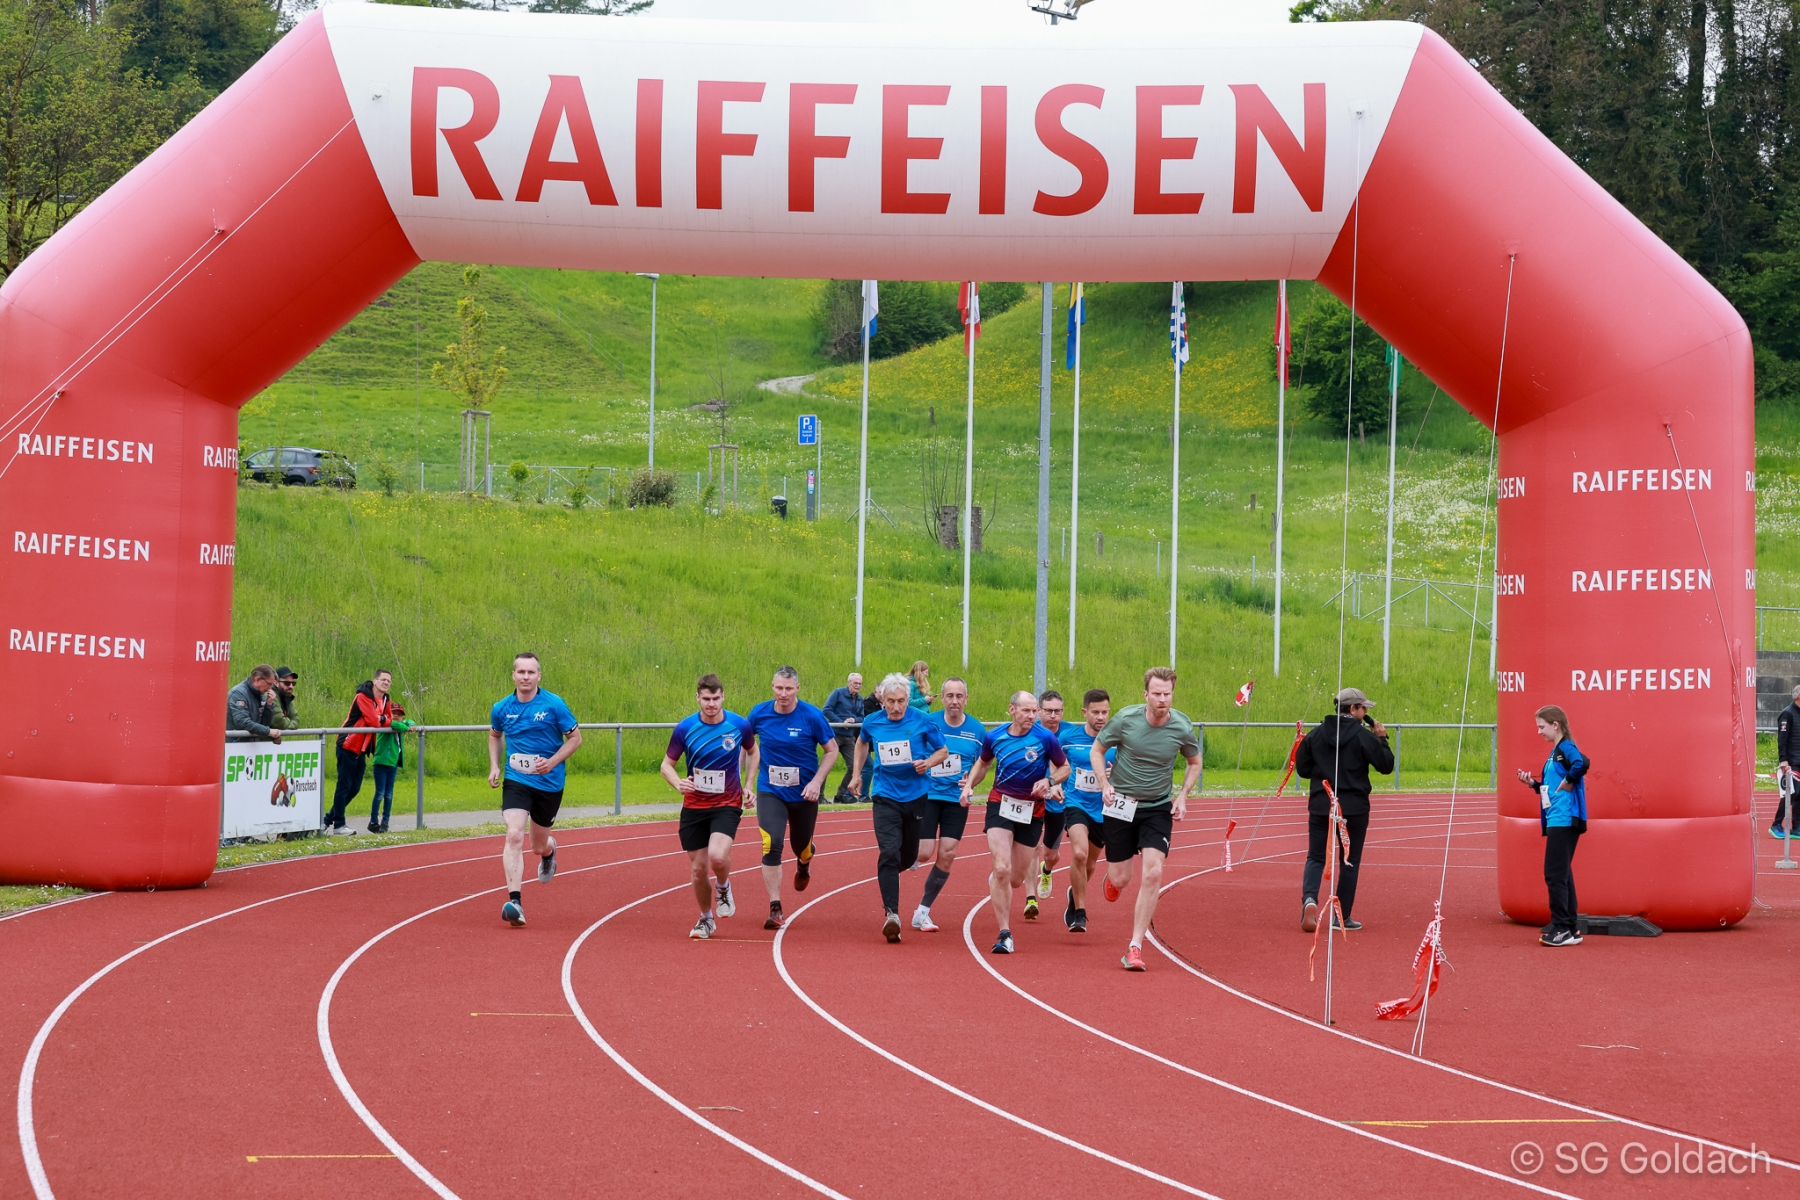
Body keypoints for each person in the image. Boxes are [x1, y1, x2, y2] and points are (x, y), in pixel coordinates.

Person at [1093, 667, 1201, 972]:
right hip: (1121, 804)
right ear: (1146, 694)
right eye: (1156, 693)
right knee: (1121, 879)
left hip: (1157, 807)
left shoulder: (1181, 726)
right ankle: (1113, 879)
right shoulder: (1126, 719)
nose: (1162, 699)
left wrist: (1183, 796)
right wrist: (1104, 784)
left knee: (1153, 873)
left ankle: (1135, 946)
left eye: (1167, 693)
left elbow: (1194, 762)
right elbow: (1098, 750)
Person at [962, 690, 1068, 954]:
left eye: (1035, 711)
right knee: (1002, 868)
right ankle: (1005, 934)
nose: (1032, 716)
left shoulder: (1045, 738)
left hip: (1032, 811)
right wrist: (969, 785)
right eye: (1026, 710)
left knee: (1016, 879)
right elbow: (983, 764)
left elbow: (1064, 768)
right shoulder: (995, 736)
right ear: (1012, 710)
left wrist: (1049, 781)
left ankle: (1001, 877)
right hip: (1001, 804)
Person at [848, 672, 947, 943]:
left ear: (907, 699)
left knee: (907, 855)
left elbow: (943, 751)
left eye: (901, 701)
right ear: (882, 700)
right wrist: (856, 774)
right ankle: (892, 915)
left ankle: (890, 873)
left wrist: (927, 763)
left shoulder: (922, 720)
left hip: (915, 796)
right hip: (885, 795)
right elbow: (862, 742)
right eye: (890, 701)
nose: (896, 707)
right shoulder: (872, 721)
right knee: (889, 852)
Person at [487, 652, 581, 927]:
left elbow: (575, 739)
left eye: (531, 672)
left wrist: (551, 762)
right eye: (521, 672)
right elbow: (494, 735)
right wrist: (494, 766)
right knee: (514, 833)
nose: (525, 677)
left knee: (537, 845)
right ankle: (515, 902)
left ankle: (549, 852)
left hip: (549, 783)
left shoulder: (554, 705)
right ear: (513, 675)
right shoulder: (502, 708)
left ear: (539, 675)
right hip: (517, 779)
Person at [1294, 686, 1394, 936]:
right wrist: (1381, 738)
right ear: (1353, 709)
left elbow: (1302, 769)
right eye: (1363, 708)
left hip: (1321, 804)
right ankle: (1341, 916)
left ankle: (1310, 899)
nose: (1366, 713)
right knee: (1349, 861)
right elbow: (1386, 766)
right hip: (1354, 808)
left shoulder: (1316, 734)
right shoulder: (1364, 736)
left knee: (1315, 857)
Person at [663, 673, 756, 940]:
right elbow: (666, 765)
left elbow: (753, 751)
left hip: (727, 803)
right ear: (698, 698)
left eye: (716, 698)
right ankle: (706, 919)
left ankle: (723, 887)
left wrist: (749, 785)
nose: (711, 704)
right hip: (694, 806)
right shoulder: (685, 728)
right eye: (706, 699)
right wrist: (678, 783)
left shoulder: (738, 725)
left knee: (717, 856)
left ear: (723, 697)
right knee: (698, 869)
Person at [745, 666, 838, 929]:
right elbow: (746, 746)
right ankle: (775, 907)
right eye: (779, 688)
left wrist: (816, 782)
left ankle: (804, 862)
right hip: (770, 790)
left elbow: (832, 751)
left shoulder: (812, 716)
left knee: (801, 847)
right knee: (771, 843)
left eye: (788, 688)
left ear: (797, 688)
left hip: (803, 794)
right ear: (772, 687)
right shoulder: (759, 713)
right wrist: (747, 783)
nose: (783, 693)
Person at [912, 676, 987, 933]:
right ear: (942, 698)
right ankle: (902, 850)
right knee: (924, 852)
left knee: (948, 854)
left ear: (966, 699)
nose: (955, 701)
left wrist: (971, 783)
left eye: (959, 696)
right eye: (950, 696)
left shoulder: (977, 730)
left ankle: (922, 911)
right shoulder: (928, 722)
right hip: (928, 795)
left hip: (956, 799)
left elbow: (982, 765)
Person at [1516, 704, 1589, 947]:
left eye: (1542, 727)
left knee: (1554, 874)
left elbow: (1582, 763)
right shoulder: (1556, 752)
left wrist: (1569, 779)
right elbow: (1550, 789)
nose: (1539, 732)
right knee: (1563, 874)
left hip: (1564, 818)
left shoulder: (1565, 747)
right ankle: (1570, 927)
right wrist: (1533, 784)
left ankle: (1561, 928)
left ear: (1555, 725)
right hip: (1557, 817)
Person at [1057, 688, 1114, 933]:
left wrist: (1115, 775)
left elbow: (1129, 771)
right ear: (1085, 712)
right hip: (1075, 802)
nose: (1101, 717)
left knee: (1090, 864)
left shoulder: (1115, 740)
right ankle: (1079, 913)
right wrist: (1054, 783)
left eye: (1105, 712)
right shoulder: (1068, 737)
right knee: (1079, 854)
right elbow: (1054, 761)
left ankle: (1074, 892)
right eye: (1095, 712)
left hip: (1103, 808)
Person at [325, 669, 404, 835]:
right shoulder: (363, 696)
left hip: (362, 749)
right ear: (374, 681)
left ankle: (325, 821)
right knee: (344, 786)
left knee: (355, 788)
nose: (386, 683)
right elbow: (374, 722)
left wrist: (382, 719)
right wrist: (382, 719)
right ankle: (338, 824)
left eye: (389, 681)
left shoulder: (386, 699)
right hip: (348, 744)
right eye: (383, 679)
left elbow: (389, 720)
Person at [1031, 690, 1068, 906]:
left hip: (1057, 802)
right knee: (1031, 847)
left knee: (1050, 854)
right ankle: (1030, 897)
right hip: (1032, 798)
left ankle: (1046, 870)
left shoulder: (1070, 734)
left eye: (1057, 711)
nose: (1053, 715)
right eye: (1048, 711)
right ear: (1039, 711)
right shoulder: (1030, 731)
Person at [821, 672, 875, 803]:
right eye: (855, 683)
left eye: (860, 684)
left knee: (854, 766)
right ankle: (819, 796)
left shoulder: (860, 698)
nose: (858, 686)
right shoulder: (838, 693)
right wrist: (841, 722)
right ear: (848, 683)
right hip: (835, 735)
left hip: (849, 737)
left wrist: (854, 720)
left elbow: (862, 717)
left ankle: (841, 795)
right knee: (826, 766)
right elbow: (826, 709)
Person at [369, 699, 416, 833]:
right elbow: (394, 724)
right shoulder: (386, 724)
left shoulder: (400, 724)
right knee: (380, 793)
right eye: (393, 713)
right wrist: (406, 727)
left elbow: (409, 721)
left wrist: (411, 724)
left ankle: (385, 822)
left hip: (392, 764)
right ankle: (373, 821)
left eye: (399, 714)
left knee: (389, 794)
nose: (396, 716)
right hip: (381, 763)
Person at [226, 665, 282, 743]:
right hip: (234, 744)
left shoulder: (261, 695)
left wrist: (269, 704)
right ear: (258, 679)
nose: (270, 688)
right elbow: (241, 722)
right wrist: (268, 731)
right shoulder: (238, 694)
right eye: (269, 684)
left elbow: (265, 724)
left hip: (251, 744)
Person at [1774, 685, 1800, 838]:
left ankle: (1797, 827)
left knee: (1799, 795)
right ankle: (1776, 824)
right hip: (1791, 761)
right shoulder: (1787, 713)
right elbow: (1782, 739)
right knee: (1792, 793)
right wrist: (1783, 760)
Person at [270, 667, 301, 731]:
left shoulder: (286, 697)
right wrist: (289, 722)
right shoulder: (271, 696)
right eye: (287, 683)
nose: (291, 686)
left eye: (293, 683)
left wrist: (286, 723)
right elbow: (280, 722)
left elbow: (296, 719)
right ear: (275, 682)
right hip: (257, 737)